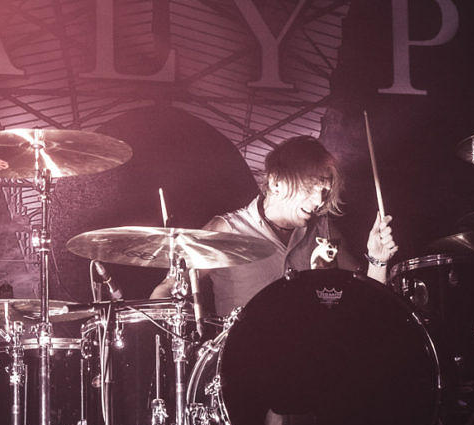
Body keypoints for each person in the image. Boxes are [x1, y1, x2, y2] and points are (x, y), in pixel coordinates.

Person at [151, 135, 398, 317]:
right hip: (244, 360)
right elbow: (168, 290)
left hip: (310, 356)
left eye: (324, 191)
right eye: (310, 187)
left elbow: (366, 300)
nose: (318, 201)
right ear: (276, 182)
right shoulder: (227, 230)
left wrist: (378, 260)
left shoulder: (323, 230)